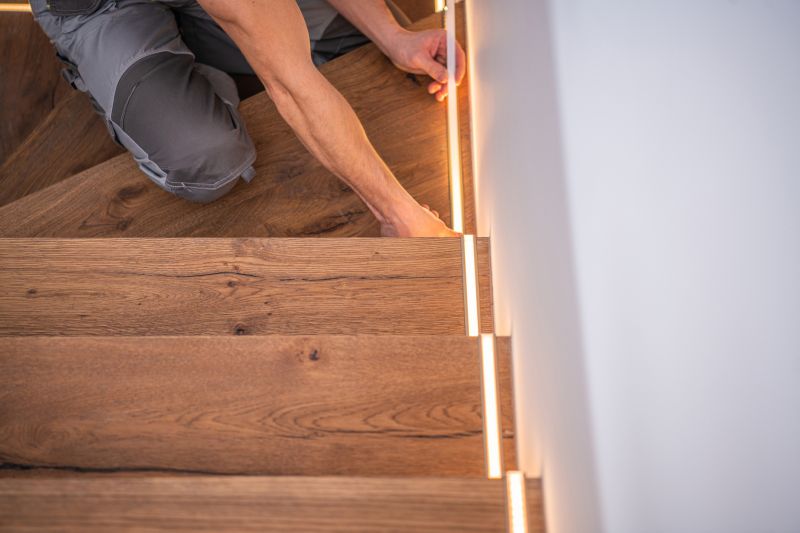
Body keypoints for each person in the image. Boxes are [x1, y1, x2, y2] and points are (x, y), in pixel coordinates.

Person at [30, 0, 466, 237]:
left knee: (354, 42)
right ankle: (114, 68)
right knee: (207, 160)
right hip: (101, 8)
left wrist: (394, 37)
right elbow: (290, 86)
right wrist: (397, 214)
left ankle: (199, 38)